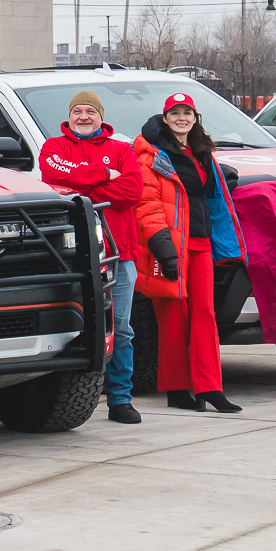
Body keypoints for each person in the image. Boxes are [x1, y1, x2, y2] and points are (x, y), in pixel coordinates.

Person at [36, 89, 162, 427]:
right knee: (72, 328)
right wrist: (105, 175)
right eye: (77, 111)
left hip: (119, 255)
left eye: (90, 111)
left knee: (121, 329)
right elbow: (53, 176)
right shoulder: (53, 148)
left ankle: (120, 398)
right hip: (71, 257)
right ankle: (66, 395)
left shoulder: (121, 150)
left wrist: (81, 181)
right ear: (69, 115)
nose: (83, 117)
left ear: (101, 117)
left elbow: (132, 191)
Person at [138, 92, 244, 413]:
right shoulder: (151, 155)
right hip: (170, 247)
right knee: (173, 317)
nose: (181, 118)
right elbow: (147, 204)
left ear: (194, 118)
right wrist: (164, 250)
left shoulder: (201, 152)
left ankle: (209, 387)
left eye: (187, 113)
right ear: (165, 118)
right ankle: (176, 389)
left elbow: (213, 197)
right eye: (175, 113)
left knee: (205, 316)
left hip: (200, 245)